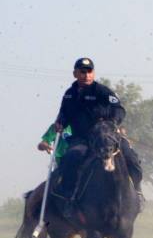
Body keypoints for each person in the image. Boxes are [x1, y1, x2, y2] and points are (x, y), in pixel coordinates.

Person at [50, 57, 144, 218]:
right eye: (82, 72)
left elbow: (119, 110)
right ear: (75, 73)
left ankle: (137, 191)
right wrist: (60, 123)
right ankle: (69, 198)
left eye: (89, 71)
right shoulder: (69, 95)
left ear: (93, 73)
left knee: (131, 156)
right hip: (81, 139)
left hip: (106, 136)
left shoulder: (102, 91)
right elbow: (63, 114)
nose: (86, 75)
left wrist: (112, 122)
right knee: (71, 157)